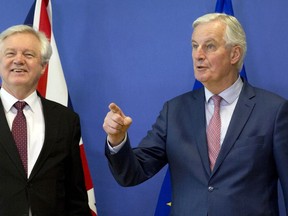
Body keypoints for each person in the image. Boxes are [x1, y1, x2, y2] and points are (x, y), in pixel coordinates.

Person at [103, 13, 288, 216]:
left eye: (209, 46)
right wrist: (117, 139)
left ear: (234, 54)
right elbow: (132, 174)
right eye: (194, 46)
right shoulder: (174, 111)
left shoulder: (273, 110)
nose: (198, 55)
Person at [0, 25, 91, 215]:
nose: (18, 60)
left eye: (29, 54)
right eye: (10, 53)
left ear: (43, 66)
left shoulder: (65, 120)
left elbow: (75, 194)